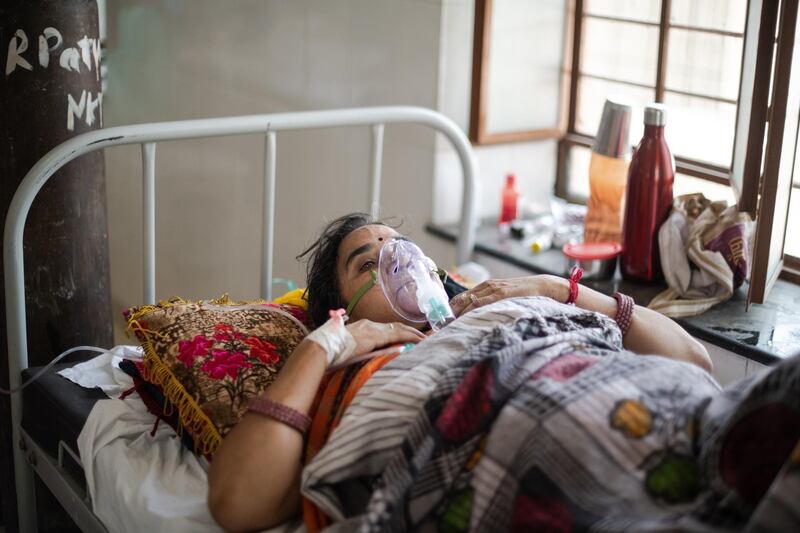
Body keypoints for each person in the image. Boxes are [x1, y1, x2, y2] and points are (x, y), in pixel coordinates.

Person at [208, 213, 713, 532]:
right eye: (368, 265)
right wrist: (322, 347)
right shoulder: (354, 363)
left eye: (404, 249)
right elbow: (238, 504)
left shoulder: (504, 303)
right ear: (345, 311)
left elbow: (692, 363)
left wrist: (560, 289)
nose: (400, 262)